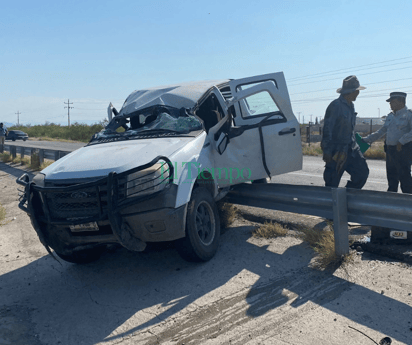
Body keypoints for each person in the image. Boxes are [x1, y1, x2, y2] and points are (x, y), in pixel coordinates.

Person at [321, 75, 369, 189]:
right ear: (351, 92)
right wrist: (327, 151)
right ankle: (332, 204)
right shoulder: (335, 106)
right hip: (336, 151)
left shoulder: (351, 106)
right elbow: (327, 129)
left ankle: (347, 197)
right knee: (332, 183)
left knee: (362, 173)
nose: (358, 93)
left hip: (351, 149)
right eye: (357, 91)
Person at [362, 92, 412, 193]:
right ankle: (391, 203)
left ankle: (408, 204)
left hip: (403, 151)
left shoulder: (409, 115)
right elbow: (381, 131)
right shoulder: (390, 116)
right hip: (390, 151)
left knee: (405, 179)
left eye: (392, 102)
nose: (390, 104)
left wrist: (402, 141)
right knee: (392, 178)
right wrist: (366, 139)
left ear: (400, 102)